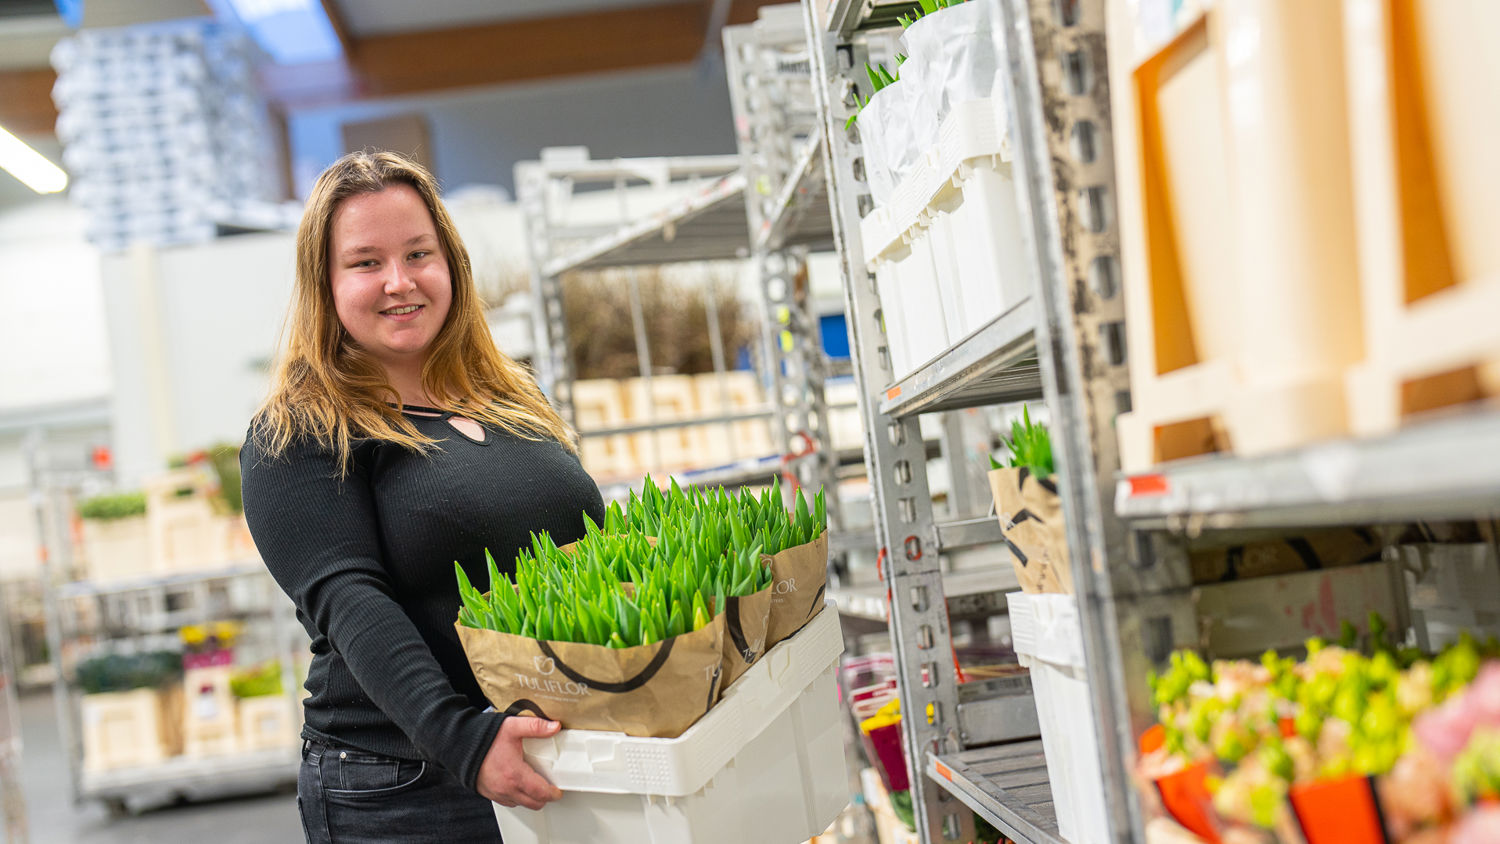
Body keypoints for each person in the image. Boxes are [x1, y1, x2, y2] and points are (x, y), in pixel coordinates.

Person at [240, 150, 605, 843]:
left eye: (418, 254)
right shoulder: (300, 431)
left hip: (549, 751)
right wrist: (463, 739)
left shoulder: (508, 398)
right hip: (404, 784)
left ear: (451, 264)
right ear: (324, 283)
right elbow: (351, 600)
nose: (399, 281)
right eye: (366, 262)